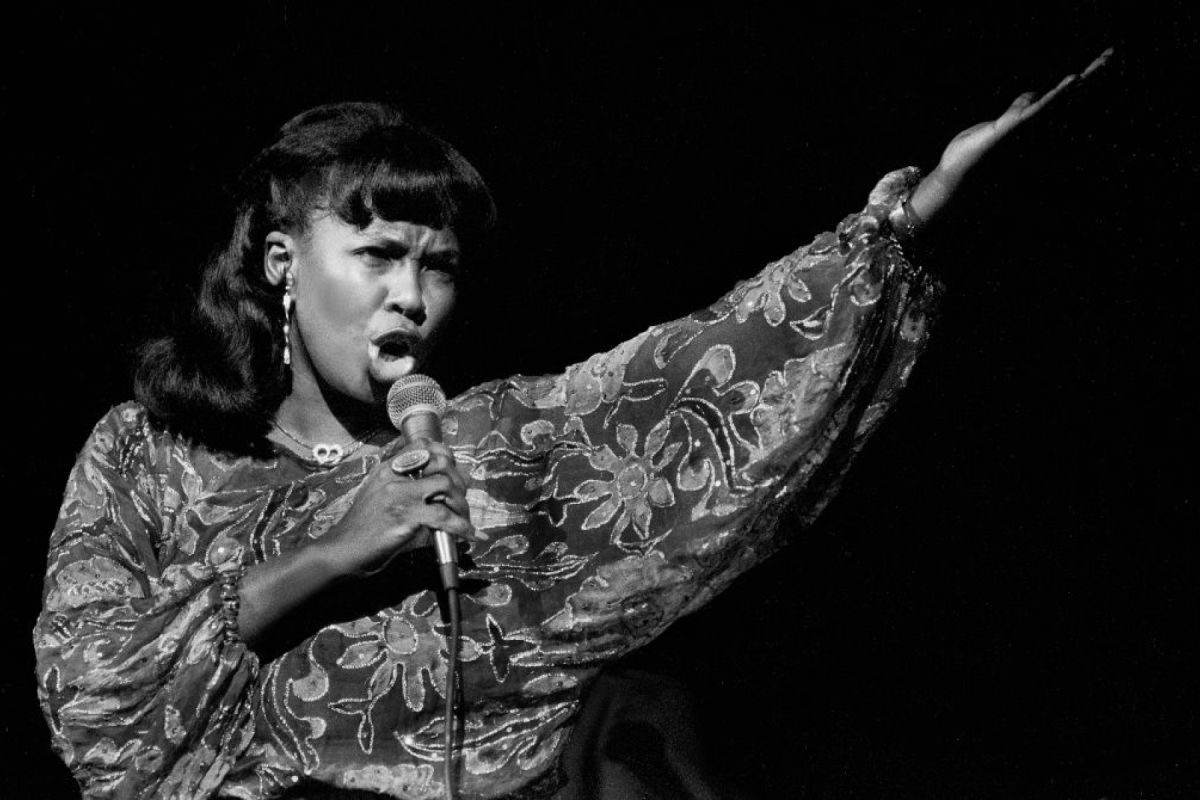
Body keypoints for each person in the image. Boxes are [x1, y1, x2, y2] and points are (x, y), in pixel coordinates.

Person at [33, 50, 1109, 800]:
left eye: (439, 266)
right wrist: (329, 553)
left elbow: (692, 383)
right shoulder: (148, 455)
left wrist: (909, 219)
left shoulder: (493, 445)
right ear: (282, 260)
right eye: (379, 255)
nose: (411, 297)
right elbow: (94, 703)